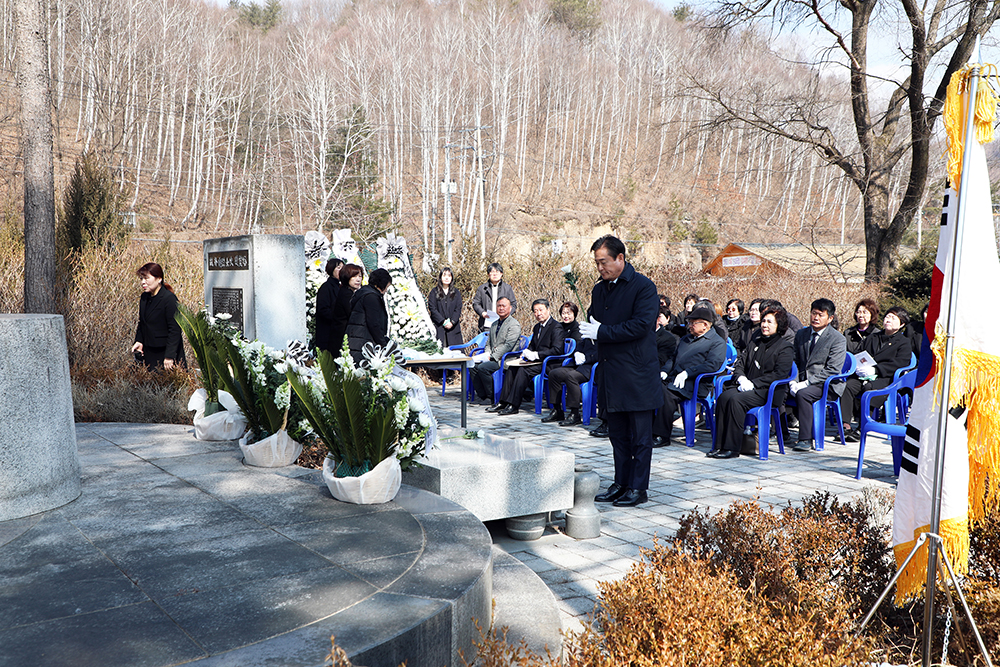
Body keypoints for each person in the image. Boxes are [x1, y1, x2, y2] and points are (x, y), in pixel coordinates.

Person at [580, 235, 660, 508]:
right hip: (611, 373)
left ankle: (638, 487)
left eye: (604, 262)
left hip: (637, 374)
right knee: (617, 435)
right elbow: (596, 319)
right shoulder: (599, 289)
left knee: (640, 437)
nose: (600, 268)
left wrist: (602, 331)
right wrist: (592, 328)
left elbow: (641, 325)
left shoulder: (643, 287)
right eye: (597, 263)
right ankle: (621, 482)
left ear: (620, 258)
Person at [709, 307, 794, 459]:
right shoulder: (755, 341)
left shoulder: (785, 347)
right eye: (763, 321)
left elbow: (779, 374)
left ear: (779, 325)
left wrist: (754, 384)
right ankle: (719, 445)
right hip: (747, 386)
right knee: (723, 398)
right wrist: (741, 378)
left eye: (769, 322)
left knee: (736, 400)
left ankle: (732, 448)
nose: (764, 325)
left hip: (768, 391)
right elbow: (740, 363)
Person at [652, 306, 726, 448]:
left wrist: (688, 373)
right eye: (689, 322)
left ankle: (661, 435)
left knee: (666, 393)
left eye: (693, 323)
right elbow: (673, 358)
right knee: (650, 386)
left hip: (695, 383)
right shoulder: (686, 339)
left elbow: (713, 365)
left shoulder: (716, 342)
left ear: (705, 325)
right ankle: (647, 429)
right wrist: (665, 371)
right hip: (675, 378)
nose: (689, 326)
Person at [842, 306, 913, 442]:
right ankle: (845, 426)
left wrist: (876, 369)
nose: (888, 320)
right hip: (864, 374)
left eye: (893, 318)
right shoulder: (873, 337)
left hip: (886, 377)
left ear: (901, 324)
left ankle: (862, 427)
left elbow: (900, 363)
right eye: (887, 316)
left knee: (870, 388)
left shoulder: (903, 342)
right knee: (848, 386)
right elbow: (859, 353)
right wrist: (859, 366)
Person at [788, 298, 848, 452]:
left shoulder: (837, 339)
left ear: (830, 318)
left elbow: (832, 369)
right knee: (778, 390)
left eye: (821, 315)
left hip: (827, 383)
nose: (816, 318)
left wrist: (807, 383)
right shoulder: (801, 333)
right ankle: (781, 432)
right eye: (814, 313)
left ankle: (805, 439)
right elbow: (794, 360)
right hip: (802, 380)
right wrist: (793, 381)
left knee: (803, 394)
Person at [488, 299, 566, 416]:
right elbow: (533, 345)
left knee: (523, 370)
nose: (538, 313)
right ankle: (503, 402)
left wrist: (537, 355)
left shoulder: (556, 327)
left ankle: (514, 405)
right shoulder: (537, 327)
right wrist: (526, 352)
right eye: (535, 311)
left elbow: (557, 350)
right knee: (512, 367)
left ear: (548, 310)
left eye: (541, 310)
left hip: (549, 363)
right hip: (536, 362)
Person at [542, 315, 597, 427]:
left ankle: (574, 413)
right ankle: (557, 410)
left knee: (571, 376)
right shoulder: (588, 333)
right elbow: (580, 345)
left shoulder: (603, 334)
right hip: (577, 364)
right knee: (554, 373)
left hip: (590, 367)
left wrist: (587, 358)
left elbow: (603, 353)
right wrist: (577, 353)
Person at [131, 262, 185, 370]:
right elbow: (142, 322)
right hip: (148, 352)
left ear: (159, 279)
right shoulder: (144, 298)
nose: (143, 282)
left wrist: (169, 356)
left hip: (165, 354)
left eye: (146, 278)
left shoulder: (169, 299)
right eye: (141, 278)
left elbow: (175, 329)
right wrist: (139, 341)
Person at [469, 297, 522, 404]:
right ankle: (482, 396)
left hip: (506, 359)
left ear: (510, 308)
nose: (501, 308)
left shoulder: (514, 324)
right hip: (493, 357)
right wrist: (487, 354)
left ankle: (492, 396)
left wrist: (493, 356)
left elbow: (509, 345)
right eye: (499, 306)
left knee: (483, 368)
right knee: (472, 366)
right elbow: (489, 343)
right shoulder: (494, 324)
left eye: (504, 306)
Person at [346, 268, 392, 363]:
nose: (386, 291)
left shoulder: (364, 293)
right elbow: (373, 323)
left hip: (357, 341)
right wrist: (383, 343)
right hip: (363, 343)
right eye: (386, 287)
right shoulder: (371, 297)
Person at [471, 262, 517, 331]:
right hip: (486, 324)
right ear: (488, 274)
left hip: (503, 324)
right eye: (492, 272)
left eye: (497, 272)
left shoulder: (507, 288)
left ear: (501, 274)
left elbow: (513, 304)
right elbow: (476, 303)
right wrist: (483, 313)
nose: (495, 274)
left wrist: (506, 314)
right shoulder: (482, 288)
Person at [331, 263, 363, 354]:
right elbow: (353, 315)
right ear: (346, 277)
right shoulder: (346, 294)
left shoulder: (348, 292)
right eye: (354, 276)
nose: (358, 279)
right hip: (342, 339)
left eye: (360, 276)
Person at [427, 267, 464, 347]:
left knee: (455, 352)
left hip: (453, 329)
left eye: (449, 275)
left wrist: (452, 322)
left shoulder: (456, 292)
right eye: (444, 275)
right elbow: (432, 308)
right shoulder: (434, 292)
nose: (446, 278)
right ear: (440, 277)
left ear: (452, 278)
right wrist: (443, 321)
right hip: (439, 327)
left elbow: (458, 309)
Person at [314, 258, 344, 353]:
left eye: (343, 268)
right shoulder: (326, 287)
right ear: (331, 269)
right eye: (338, 268)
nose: (341, 270)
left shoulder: (342, 287)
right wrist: (338, 318)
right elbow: (323, 310)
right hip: (328, 335)